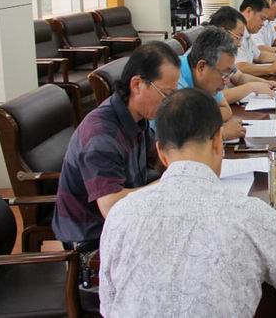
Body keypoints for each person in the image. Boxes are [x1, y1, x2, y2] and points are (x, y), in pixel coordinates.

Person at [99, 88, 276, 317]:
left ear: (161, 152)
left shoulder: (121, 214)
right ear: (218, 142)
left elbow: (109, 305)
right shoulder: (251, 215)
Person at [52, 42, 180, 246]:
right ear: (137, 85)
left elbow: (160, 157)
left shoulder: (137, 117)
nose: (168, 103)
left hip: (125, 222)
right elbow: (111, 206)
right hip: (93, 239)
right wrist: (166, 185)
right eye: (166, 94)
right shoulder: (101, 134)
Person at [176, 26, 246, 140]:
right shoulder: (173, 83)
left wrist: (198, 123)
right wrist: (218, 134)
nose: (225, 82)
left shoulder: (206, 80)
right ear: (201, 67)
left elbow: (226, 110)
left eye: (228, 74)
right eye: (223, 73)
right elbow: (175, 137)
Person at [206, 6, 276, 102]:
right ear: (223, 32)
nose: (240, 44)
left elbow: (239, 77)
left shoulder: (222, 53)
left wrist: (267, 83)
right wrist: (252, 87)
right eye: (238, 37)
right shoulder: (207, 53)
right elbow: (215, 98)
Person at [236, 0, 276, 77]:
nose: (263, 24)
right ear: (248, 11)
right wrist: (270, 69)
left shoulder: (247, 33)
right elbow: (240, 67)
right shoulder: (236, 33)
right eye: (262, 18)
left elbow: (259, 56)